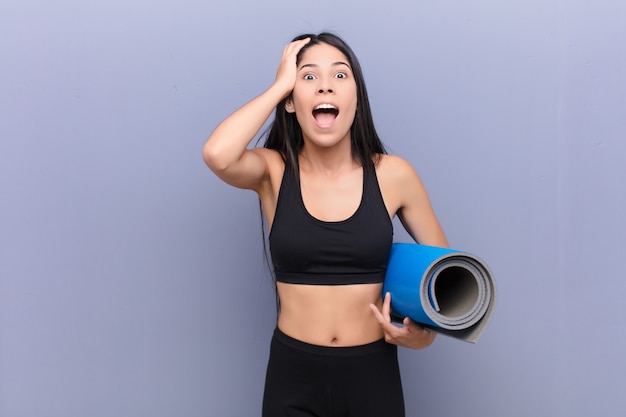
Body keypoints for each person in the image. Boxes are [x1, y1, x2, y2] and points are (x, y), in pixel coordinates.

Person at [203, 32, 448, 417]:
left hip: (373, 376)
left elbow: (444, 282)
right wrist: (280, 85)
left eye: (339, 75)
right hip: (293, 374)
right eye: (309, 77)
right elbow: (218, 154)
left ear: (356, 97)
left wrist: (423, 336)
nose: (325, 87)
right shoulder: (273, 170)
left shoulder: (394, 175)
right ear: (291, 100)